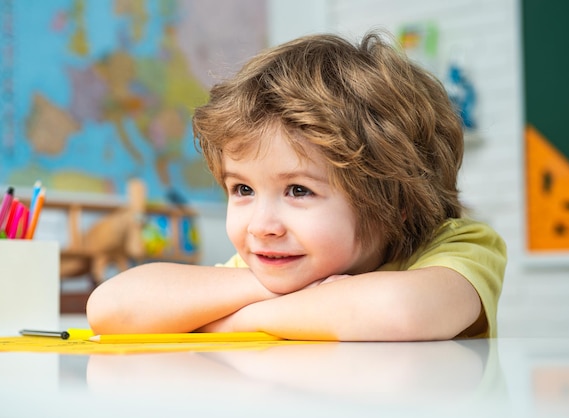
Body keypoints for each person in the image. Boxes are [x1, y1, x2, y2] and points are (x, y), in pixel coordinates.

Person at [86, 31, 507, 341]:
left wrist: (231, 319)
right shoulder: (275, 265)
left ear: (395, 202)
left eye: (298, 191)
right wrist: (267, 289)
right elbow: (111, 307)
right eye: (243, 190)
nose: (262, 225)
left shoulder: (459, 246)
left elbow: (402, 313)